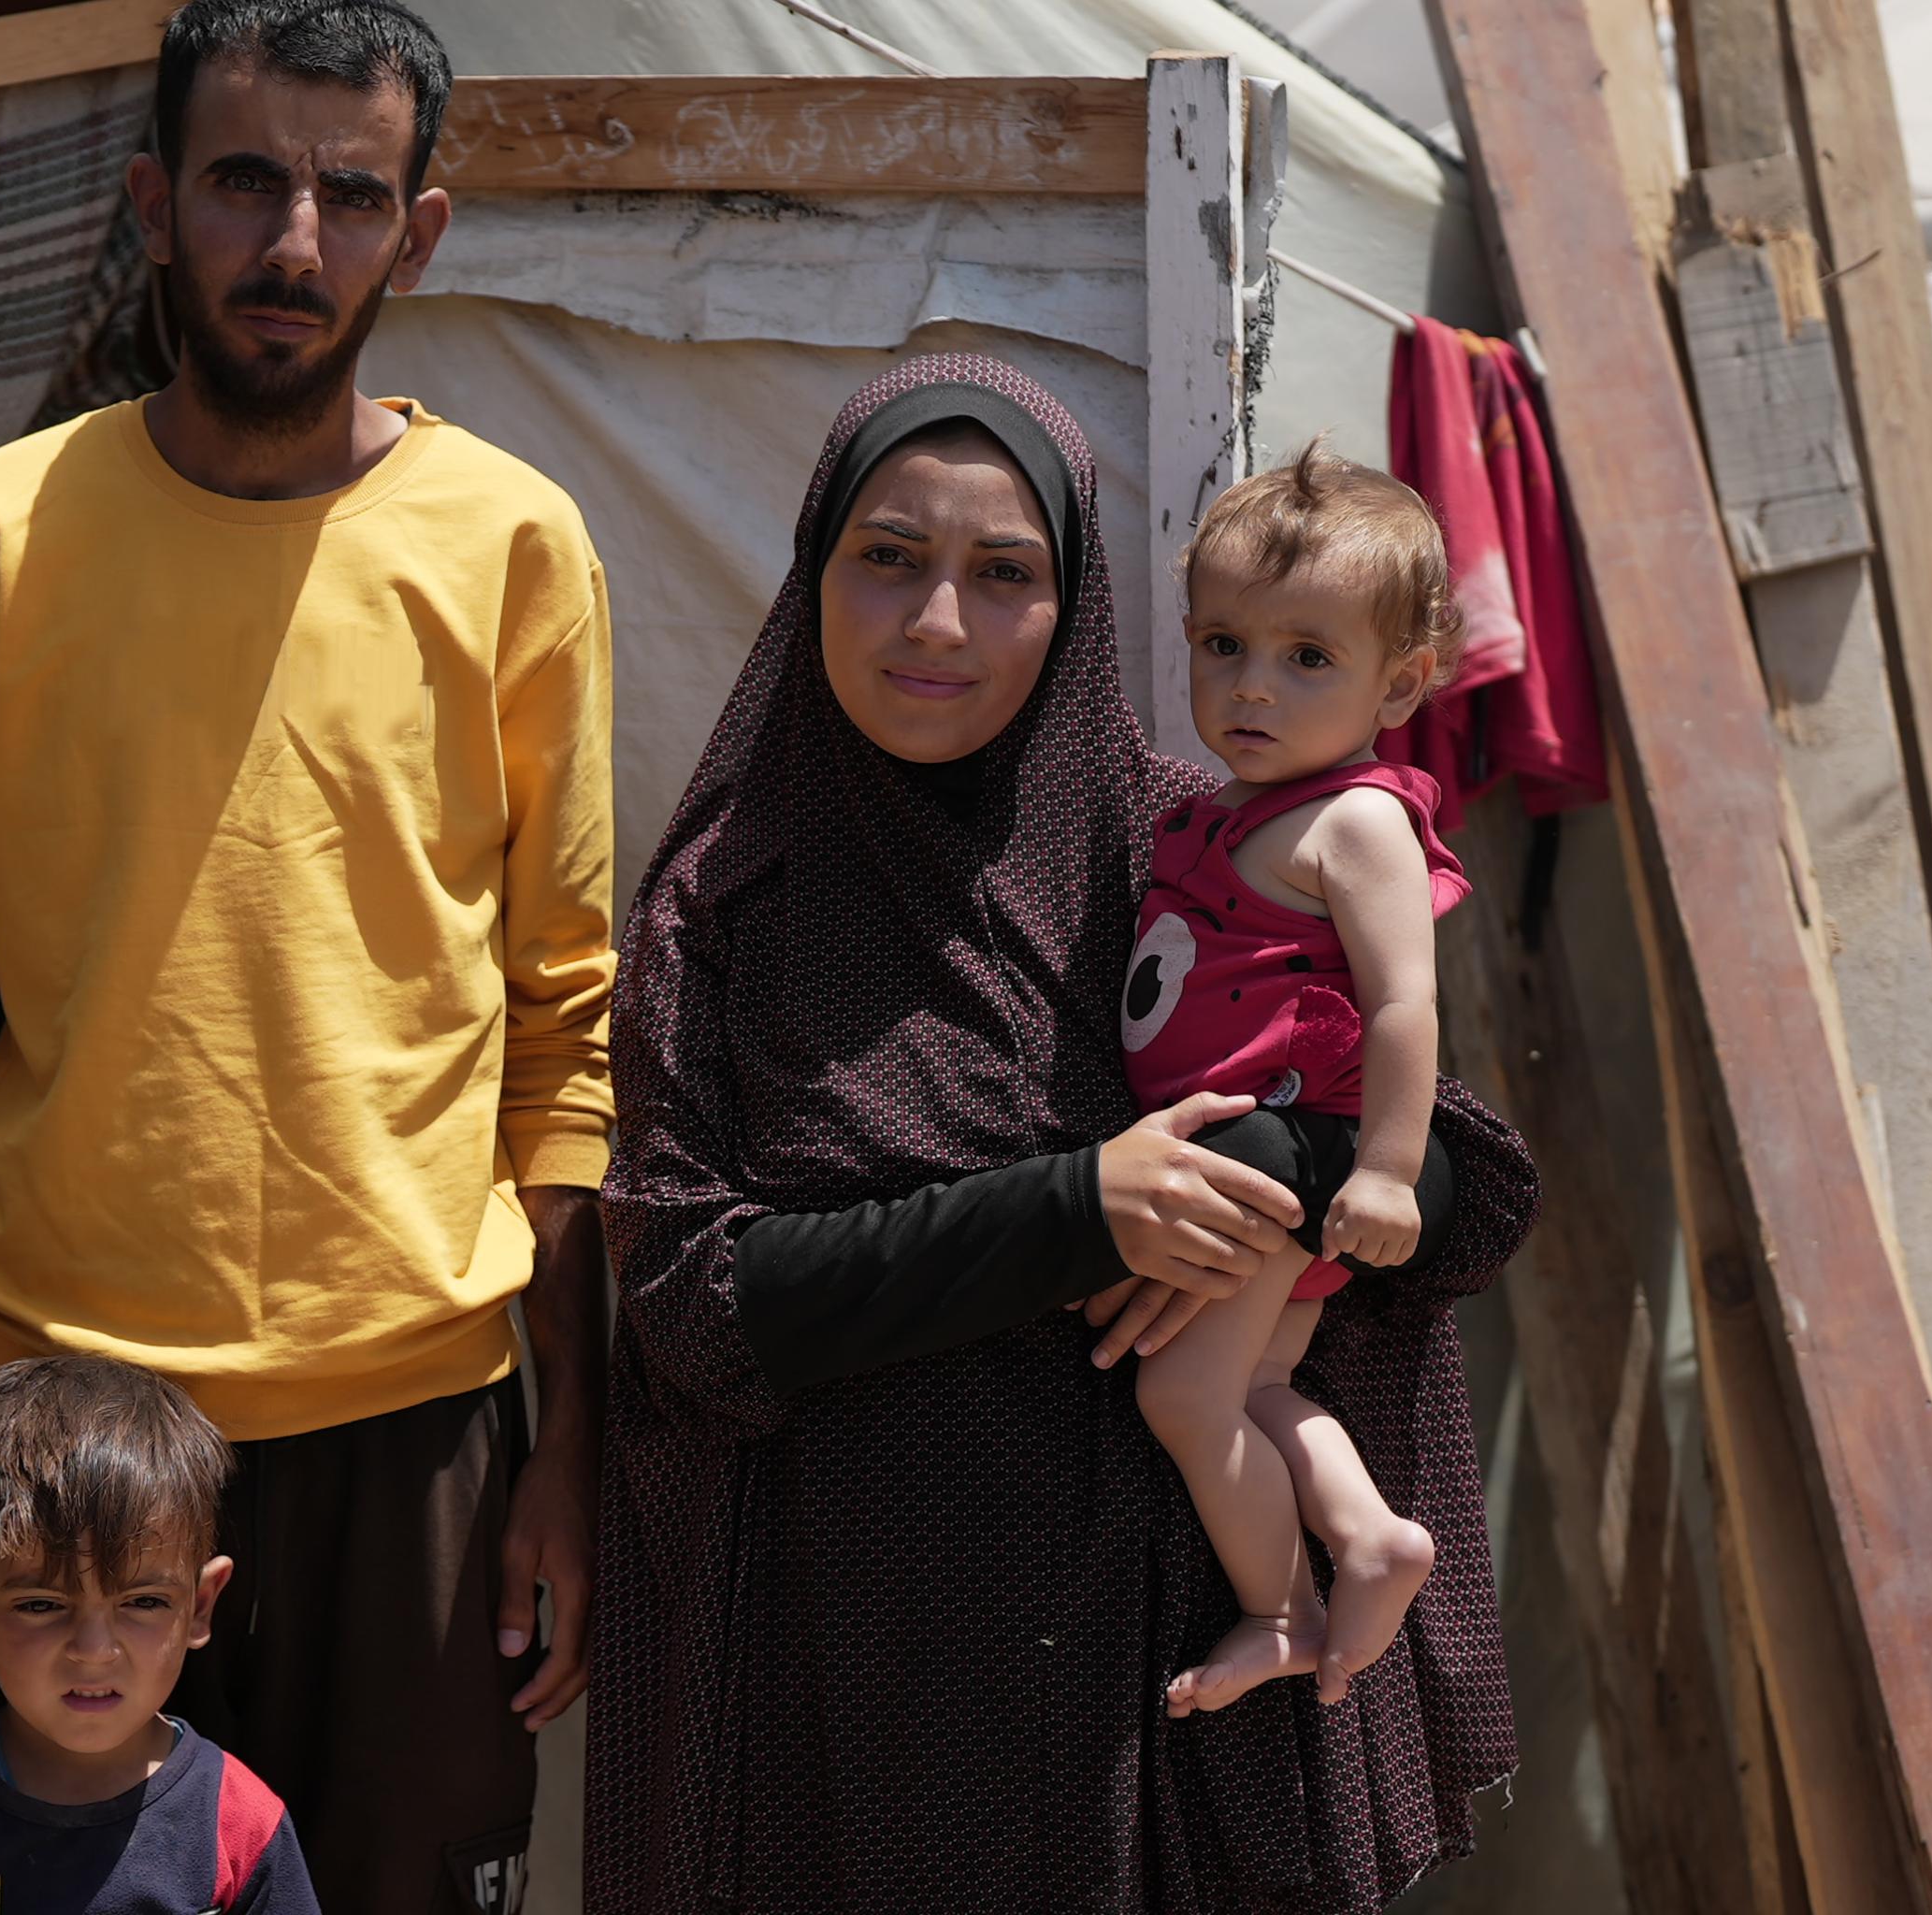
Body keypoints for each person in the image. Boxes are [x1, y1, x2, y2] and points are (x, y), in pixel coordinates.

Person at [0, 4, 614, 1905]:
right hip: (56, 1421)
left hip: (416, 1433)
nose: (292, 241)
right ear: (152, 206)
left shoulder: (513, 547)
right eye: (243, 182)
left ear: (420, 233)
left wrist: (570, 1446)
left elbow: (566, 1031)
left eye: (348, 195)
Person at [585, 356, 1540, 1913]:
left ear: (1078, 599)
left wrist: (1274, 1173)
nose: (938, 621)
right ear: (814, 567)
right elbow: (695, 1302)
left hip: (1149, 1693)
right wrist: (1081, 1207)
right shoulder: (724, 907)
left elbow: (1477, 1192)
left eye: (1004, 572)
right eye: (888, 557)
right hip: (844, 1686)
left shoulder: (1193, 843)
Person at [1123, 439, 1477, 1718]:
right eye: (1224, 644)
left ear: (1405, 682)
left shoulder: (1357, 819)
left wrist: (1386, 1167)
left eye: (1307, 657)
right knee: (1258, 1387)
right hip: (1245, 1168)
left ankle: (1281, 1612)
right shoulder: (1228, 806)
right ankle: (1369, 1535)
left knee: (1183, 1390)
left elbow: (1403, 999)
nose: (1250, 687)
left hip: (1286, 1163)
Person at [0, 1355, 319, 1912]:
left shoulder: (237, 1823)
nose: (94, 1651)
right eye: (41, 1604)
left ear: (201, 1605)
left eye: (143, 1602)